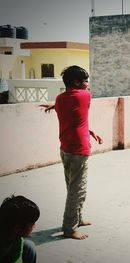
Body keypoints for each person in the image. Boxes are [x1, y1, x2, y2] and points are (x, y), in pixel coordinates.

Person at [39, 65, 103, 240]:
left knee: (72, 186)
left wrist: (91, 132)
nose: (87, 85)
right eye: (85, 81)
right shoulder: (85, 96)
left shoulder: (60, 99)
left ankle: (79, 218)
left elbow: (75, 117)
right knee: (77, 190)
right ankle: (69, 227)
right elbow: (79, 112)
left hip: (65, 148)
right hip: (79, 150)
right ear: (76, 82)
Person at [0, 195, 40, 263]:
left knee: (29, 246)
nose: (34, 226)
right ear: (17, 228)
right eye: (32, 224)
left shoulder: (17, 239)